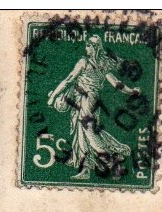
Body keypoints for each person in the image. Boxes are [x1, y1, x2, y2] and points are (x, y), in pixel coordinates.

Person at [47, 34, 141, 181]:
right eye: (86, 45)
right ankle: (85, 170)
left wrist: (53, 96)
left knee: (89, 133)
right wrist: (132, 91)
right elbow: (117, 84)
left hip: (85, 99)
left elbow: (69, 80)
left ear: (94, 47)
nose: (86, 48)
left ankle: (114, 162)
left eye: (89, 46)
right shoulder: (103, 64)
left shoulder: (83, 62)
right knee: (82, 133)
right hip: (91, 100)